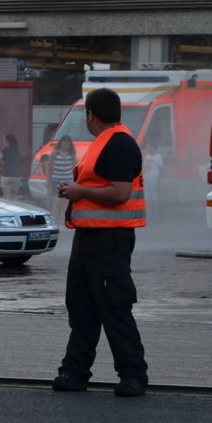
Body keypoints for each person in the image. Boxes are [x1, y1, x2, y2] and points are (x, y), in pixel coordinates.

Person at [53, 87, 148, 398]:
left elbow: (120, 193)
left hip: (110, 239)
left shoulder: (119, 144)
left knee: (114, 306)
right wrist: (77, 190)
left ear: (90, 115)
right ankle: (74, 372)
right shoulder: (106, 142)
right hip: (91, 236)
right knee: (81, 306)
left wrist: (80, 192)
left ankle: (133, 375)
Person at [47, 135, 77, 224]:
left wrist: (75, 180)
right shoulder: (55, 153)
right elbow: (49, 166)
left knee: (65, 204)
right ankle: (54, 221)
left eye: (67, 143)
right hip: (56, 180)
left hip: (68, 181)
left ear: (70, 144)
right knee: (56, 202)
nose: (65, 145)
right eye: (64, 143)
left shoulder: (72, 154)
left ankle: (61, 223)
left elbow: (74, 167)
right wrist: (48, 179)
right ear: (61, 143)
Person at [0, 132, 23, 199]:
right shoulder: (17, 151)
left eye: (4, 140)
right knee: (14, 197)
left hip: (6, 175)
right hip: (16, 176)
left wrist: (0, 163)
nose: (3, 142)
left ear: (7, 141)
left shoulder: (4, 151)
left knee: (7, 196)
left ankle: (8, 209)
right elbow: (18, 161)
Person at [143, 145, 164, 222]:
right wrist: (142, 180)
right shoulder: (147, 156)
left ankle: (156, 216)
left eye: (150, 147)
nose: (148, 148)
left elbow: (161, 168)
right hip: (146, 180)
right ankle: (149, 216)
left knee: (155, 199)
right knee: (148, 199)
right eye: (147, 147)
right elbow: (144, 168)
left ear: (154, 148)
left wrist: (158, 180)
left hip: (154, 180)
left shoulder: (158, 157)